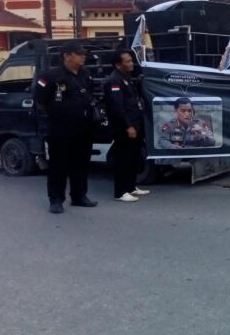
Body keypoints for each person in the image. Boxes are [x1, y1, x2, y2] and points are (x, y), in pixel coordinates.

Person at [33, 41, 98, 214]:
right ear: (67, 56)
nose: (83, 56)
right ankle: (56, 199)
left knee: (81, 163)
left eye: (84, 53)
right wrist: (58, 111)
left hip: (83, 127)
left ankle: (79, 196)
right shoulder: (50, 75)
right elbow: (40, 100)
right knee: (58, 165)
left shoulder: (85, 74)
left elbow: (91, 93)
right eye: (79, 54)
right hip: (60, 128)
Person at [103, 49, 149, 203]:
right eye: (127, 61)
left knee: (133, 157)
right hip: (124, 127)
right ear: (118, 65)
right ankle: (120, 192)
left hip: (136, 123)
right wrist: (128, 126)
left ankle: (131, 186)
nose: (131, 63)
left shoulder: (126, 78)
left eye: (131, 60)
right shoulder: (114, 81)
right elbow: (117, 107)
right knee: (123, 158)